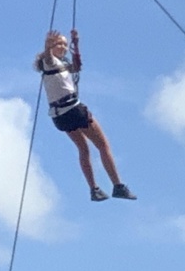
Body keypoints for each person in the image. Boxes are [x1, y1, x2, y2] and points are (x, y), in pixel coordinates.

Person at [34, 29, 137, 202]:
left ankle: (94, 190)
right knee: (103, 145)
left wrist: (76, 44)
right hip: (73, 110)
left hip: (60, 117)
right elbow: (48, 57)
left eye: (65, 44)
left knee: (83, 149)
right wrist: (48, 46)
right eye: (60, 44)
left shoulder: (61, 64)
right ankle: (118, 186)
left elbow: (77, 67)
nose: (63, 47)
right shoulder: (49, 61)